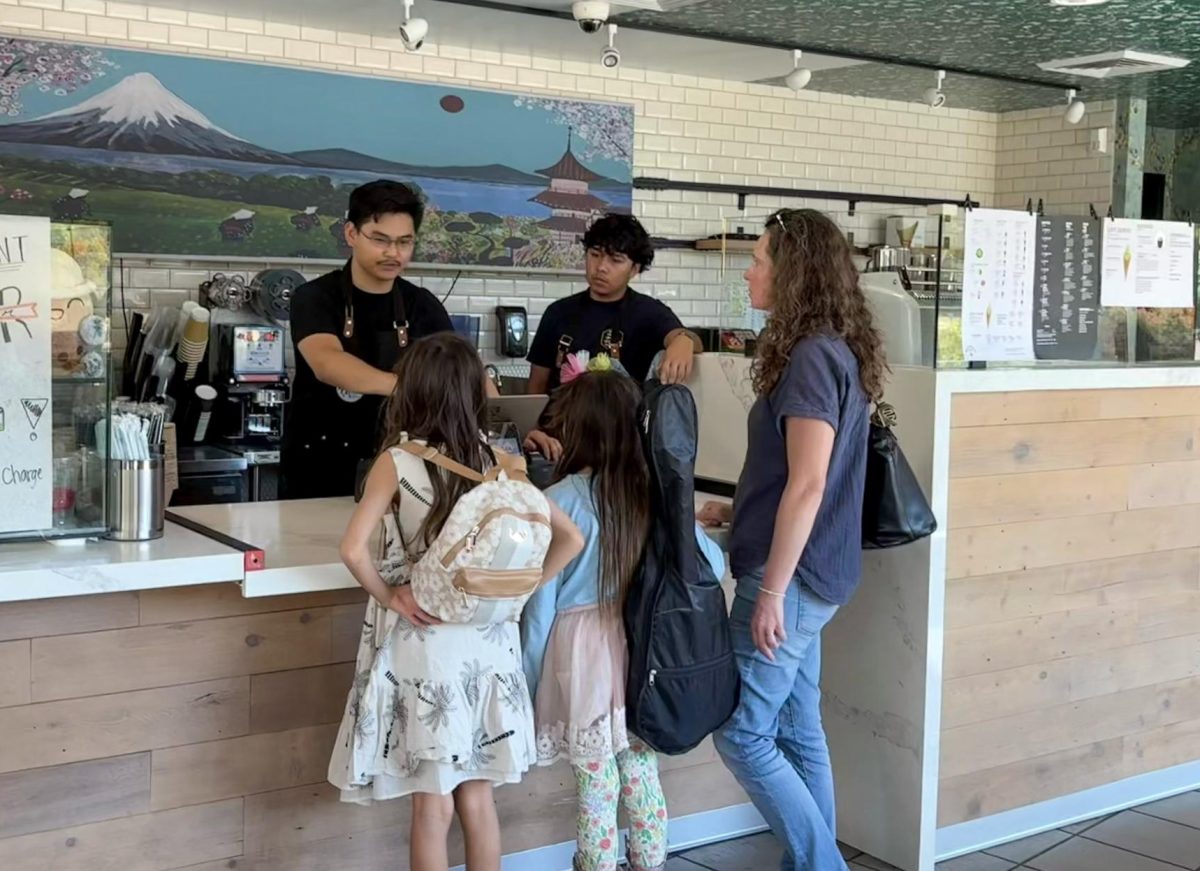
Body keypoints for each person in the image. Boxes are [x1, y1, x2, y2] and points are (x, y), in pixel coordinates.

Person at [329, 333, 584, 871]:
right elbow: (572, 539)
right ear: (475, 392)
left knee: (431, 804)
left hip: (429, 648)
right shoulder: (504, 461)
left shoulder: (397, 462)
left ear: (411, 391)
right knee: (478, 796)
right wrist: (513, 591)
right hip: (491, 648)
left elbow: (352, 550)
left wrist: (392, 597)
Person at [698, 209, 886, 871]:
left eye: (758, 258)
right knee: (799, 730)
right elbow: (800, 476)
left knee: (742, 732)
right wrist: (740, 504)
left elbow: (808, 485)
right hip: (819, 572)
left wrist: (771, 590)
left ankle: (821, 865)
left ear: (792, 272)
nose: (749, 270)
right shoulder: (835, 348)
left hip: (793, 579)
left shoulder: (810, 357)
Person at [521, 355, 725, 871]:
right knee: (640, 769)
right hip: (642, 647)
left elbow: (541, 607)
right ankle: (650, 863)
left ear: (577, 430)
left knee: (595, 780)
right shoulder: (656, 495)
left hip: (582, 656)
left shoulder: (559, 500)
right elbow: (713, 563)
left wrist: (527, 678)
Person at [282, 180, 455, 499]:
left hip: (401, 468)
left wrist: (505, 423)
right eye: (380, 240)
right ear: (351, 234)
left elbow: (461, 371)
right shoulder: (315, 297)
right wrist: (407, 387)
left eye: (404, 242)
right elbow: (327, 362)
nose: (393, 253)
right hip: (320, 469)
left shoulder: (422, 305)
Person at [523, 214, 699, 460]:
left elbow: (681, 336)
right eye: (594, 255)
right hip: (559, 446)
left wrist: (683, 340)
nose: (601, 267)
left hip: (622, 450)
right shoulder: (559, 313)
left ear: (635, 269)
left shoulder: (647, 312)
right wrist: (533, 430)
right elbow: (536, 386)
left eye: (615, 260)